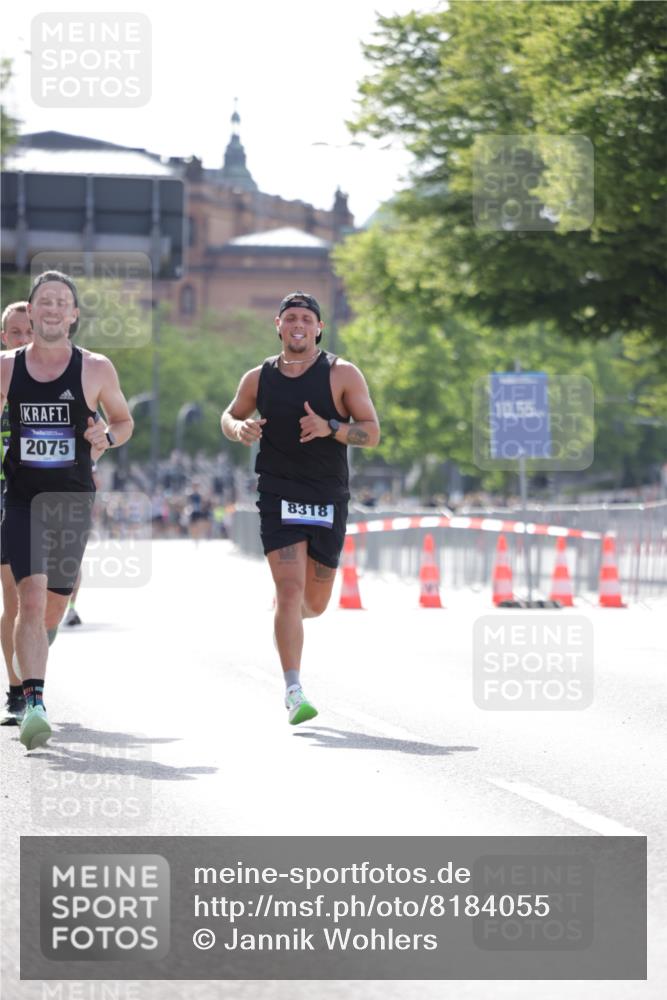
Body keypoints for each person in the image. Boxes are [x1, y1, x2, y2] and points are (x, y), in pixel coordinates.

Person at [221, 291, 380, 725]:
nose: (298, 325)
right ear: (277, 324)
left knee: (315, 601)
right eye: (290, 317)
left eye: (306, 319)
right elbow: (229, 415)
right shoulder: (259, 378)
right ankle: (294, 689)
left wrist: (331, 427)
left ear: (318, 328)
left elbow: (371, 432)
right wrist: (240, 428)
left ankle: (288, 610)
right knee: (289, 591)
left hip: (328, 495)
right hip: (278, 492)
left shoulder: (342, 374)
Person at [0, 270, 134, 749]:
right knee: (29, 600)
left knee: (54, 606)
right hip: (22, 498)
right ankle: (33, 701)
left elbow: (123, 420)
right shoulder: (7, 367)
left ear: (73, 315)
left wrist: (109, 436)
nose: (53, 308)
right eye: (44, 301)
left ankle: (33, 653)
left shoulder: (95, 368)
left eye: (62, 302)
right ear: (30, 312)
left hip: (72, 499)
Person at [1, 302, 33, 725]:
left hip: (45, 497)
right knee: (15, 598)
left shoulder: (59, 375)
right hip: (5, 496)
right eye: (14, 332)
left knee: (36, 603)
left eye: (29, 331)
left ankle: (28, 679)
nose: (22, 338)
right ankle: (17, 686)